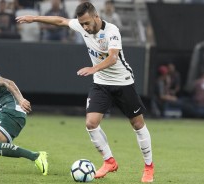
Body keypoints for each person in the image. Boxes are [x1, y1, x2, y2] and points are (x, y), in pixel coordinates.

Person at [16, 2, 154, 182]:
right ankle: (109, 161)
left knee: (137, 124)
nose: (85, 28)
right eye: (82, 24)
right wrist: (34, 18)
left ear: (96, 17)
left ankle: (148, 167)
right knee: (91, 123)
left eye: (87, 23)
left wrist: (93, 68)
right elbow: (61, 21)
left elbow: (113, 58)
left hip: (123, 83)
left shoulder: (112, 31)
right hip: (101, 84)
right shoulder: (82, 26)